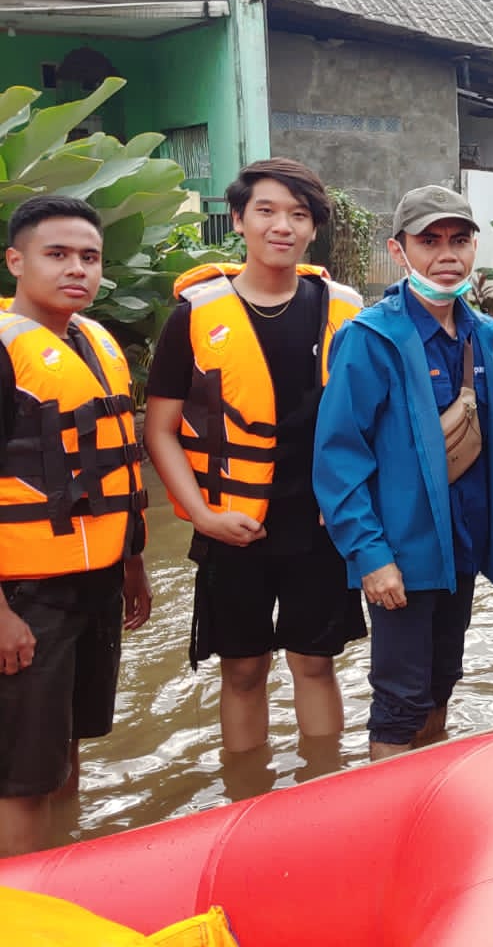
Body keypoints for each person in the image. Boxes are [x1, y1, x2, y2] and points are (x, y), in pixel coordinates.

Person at [144, 159, 366, 755]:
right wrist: (202, 515)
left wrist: (355, 509)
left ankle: (320, 790)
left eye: (298, 215)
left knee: (316, 666)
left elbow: (375, 421)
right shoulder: (194, 316)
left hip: (320, 526)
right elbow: (160, 430)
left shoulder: (347, 311)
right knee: (242, 671)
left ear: (313, 229)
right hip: (232, 524)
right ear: (238, 220)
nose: (282, 226)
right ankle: (246, 797)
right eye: (266, 211)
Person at [314, 186, 493, 761]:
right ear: (399, 251)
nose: (446, 255)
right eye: (429, 242)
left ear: (475, 247)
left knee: (443, 679)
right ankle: (393, 823)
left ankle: (429, 796)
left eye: (458, 240)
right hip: (400, 552)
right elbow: (338, 458)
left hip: (462, 546)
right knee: (399, 697)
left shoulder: (483, 335)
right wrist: (370, 557)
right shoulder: (369, 339)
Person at [0, 196, 151, 857]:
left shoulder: (93, 343)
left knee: (63, 750)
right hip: (26, 596)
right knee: (21, 776)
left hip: (95, 582)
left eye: (89, 257)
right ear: (16, 261)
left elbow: (106, 473)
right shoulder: (8, 354)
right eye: (56, 254)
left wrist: (132, 564)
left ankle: (62, 879)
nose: (76, 269)